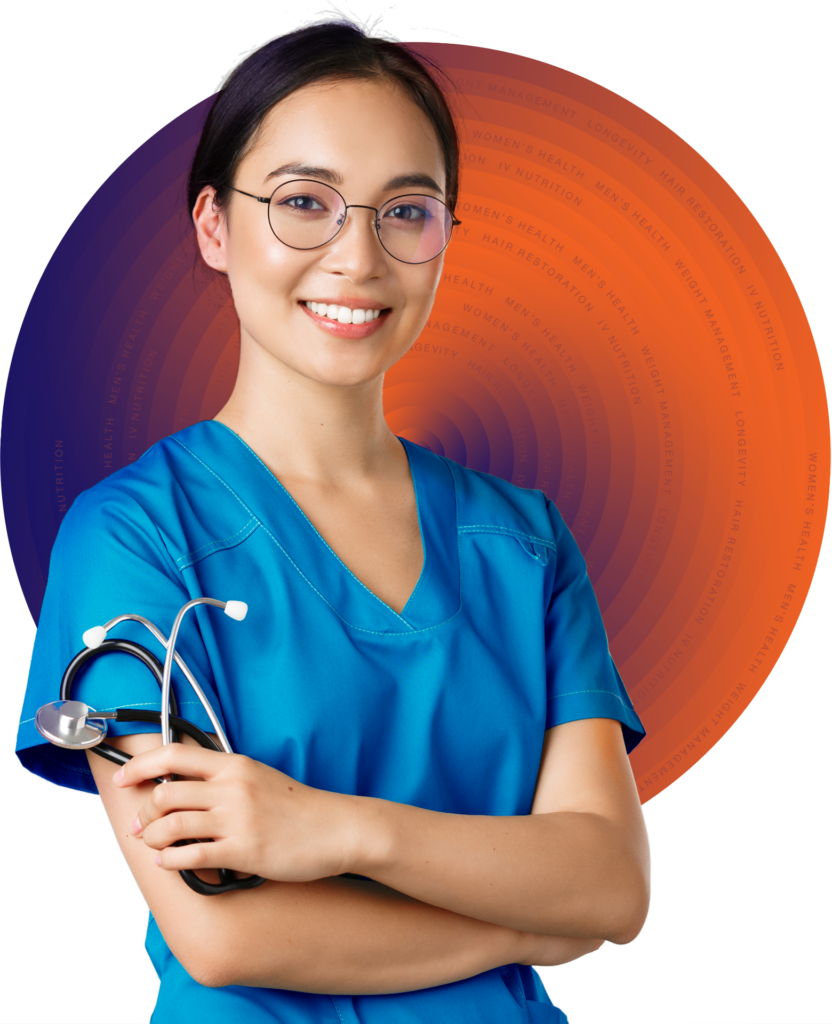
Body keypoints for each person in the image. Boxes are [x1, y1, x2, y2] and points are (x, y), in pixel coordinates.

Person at [15, 20, 649, 1024]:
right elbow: (225, 935)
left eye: (407, 210)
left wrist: (333, 831)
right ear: (213, 226)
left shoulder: (525, 542)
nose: (357, 256)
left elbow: (611, 881)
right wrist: (533, 925)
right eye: (303, 203)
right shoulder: (134, 537)